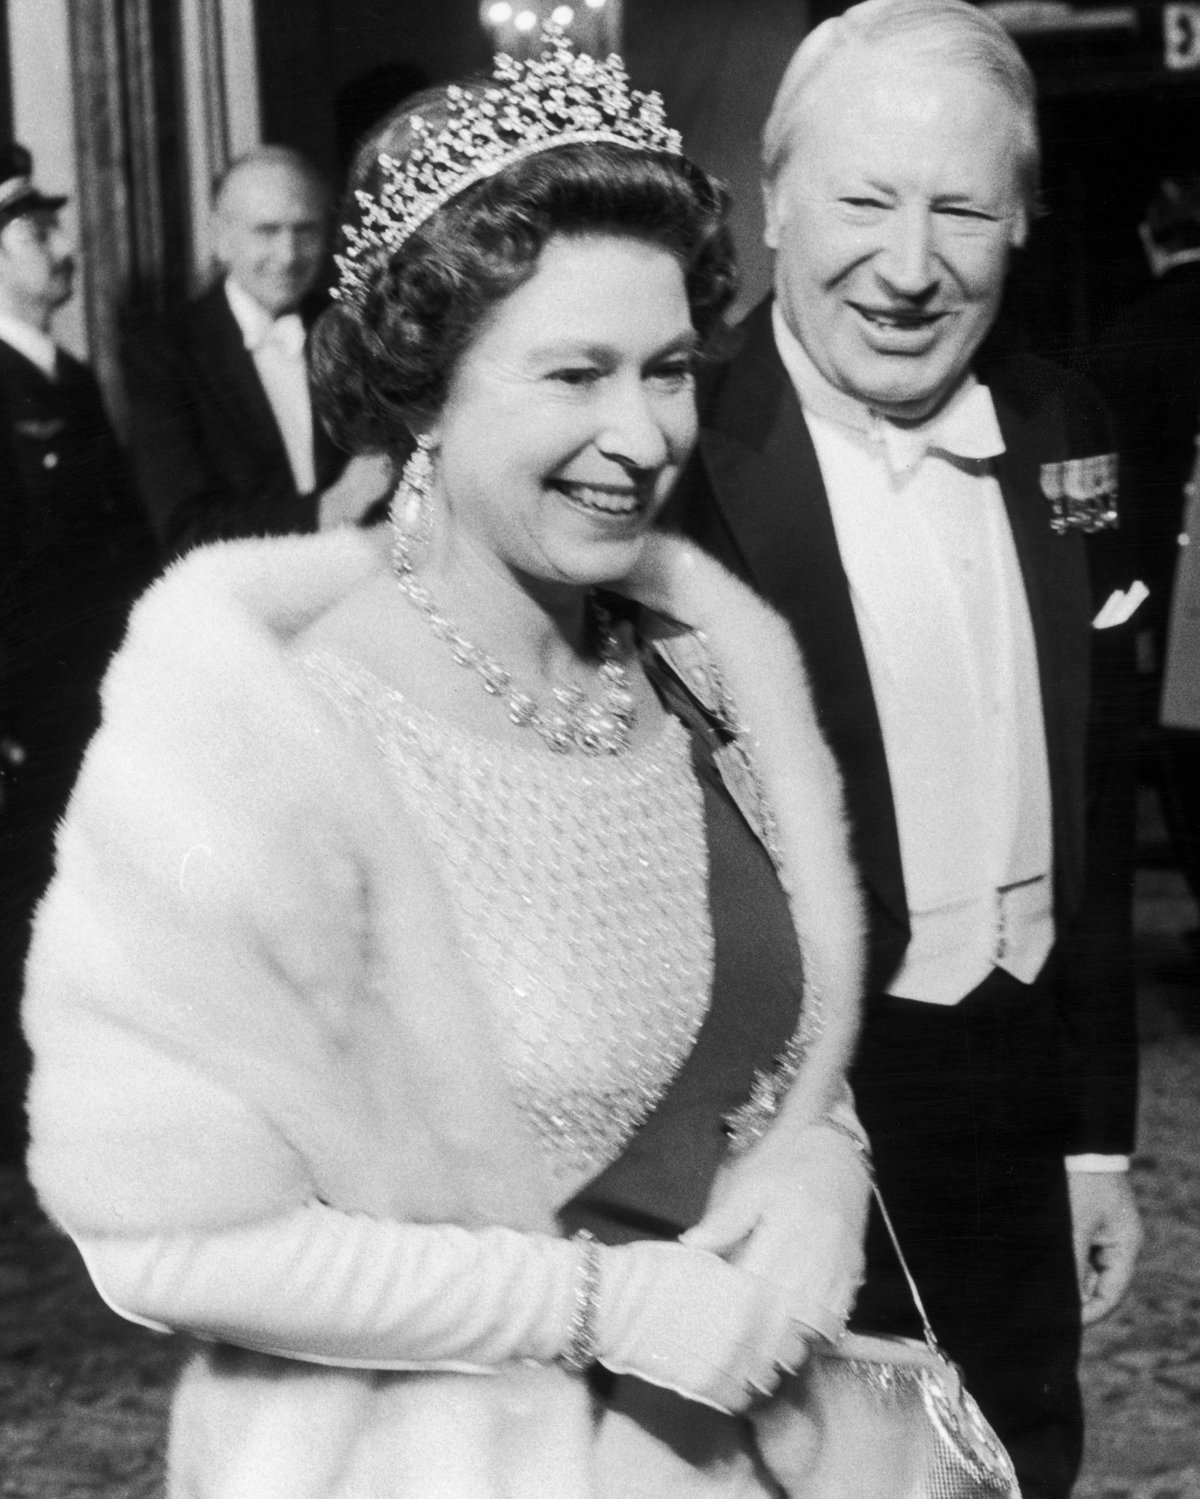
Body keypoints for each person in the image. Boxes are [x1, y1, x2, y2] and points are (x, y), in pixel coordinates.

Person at [23, 31, 871, 1497]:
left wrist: (817, 1165)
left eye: (670, 368)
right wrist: (594, 1305)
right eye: (574, 373)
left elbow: (779, 1046)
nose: (643, 432)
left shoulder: (700, 664)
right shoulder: (259, 716)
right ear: (423, 389)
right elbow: (162, 1237)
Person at [664, 3, 1143, 1495]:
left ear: (1024, 222)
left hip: (1014, 1074)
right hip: (782, 1124)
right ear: (774, 198)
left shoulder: (1066, 422)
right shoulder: (671, 457)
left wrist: (1094, 1137)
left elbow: (1100, 811)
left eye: (964, 209)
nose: (913, 263)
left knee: (1025, 1452)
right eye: (868, 201)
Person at [0, 142, 155, 1166]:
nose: (62, 247)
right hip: (25, 718)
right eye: (37, 230)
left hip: (93, 703)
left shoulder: (68, 374)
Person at [121, 145, 391, 558]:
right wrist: (330, 508)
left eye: (306, 231)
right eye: (267, 231)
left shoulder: (352, 328)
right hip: (238, 599)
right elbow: (185, 528)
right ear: (221, 238)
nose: (288, 255)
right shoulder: (163, 352)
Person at [1092, 177, 1200, 945]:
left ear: (1149, 238)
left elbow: (1111, 492)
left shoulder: (1124, 342)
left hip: (1171, 592)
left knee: (1189, 757)